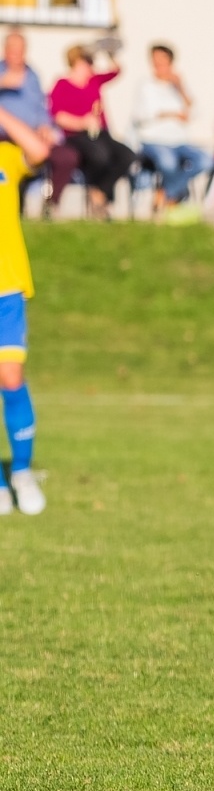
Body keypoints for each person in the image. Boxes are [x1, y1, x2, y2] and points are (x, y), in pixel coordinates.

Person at [0, 103, 58, 513]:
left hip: (7, 290)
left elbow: (39, 151)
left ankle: (21, 472)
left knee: (11, 378)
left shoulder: (6, 157)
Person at [48, 42, 136, 220]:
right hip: (77, 136)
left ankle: (99, 192)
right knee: (100, 156)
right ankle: (99, 201)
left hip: (101, 134)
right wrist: (83, 122)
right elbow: (58, 116)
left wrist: (108, 51)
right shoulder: (62, 84)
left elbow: (116, 70)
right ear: (77, 63)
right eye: (88, 62)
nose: (91, 66)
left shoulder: (94, 81)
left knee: (127, 155)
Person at [131, 43, 212, 213]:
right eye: (155, 61)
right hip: (153, 140)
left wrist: (181, 88)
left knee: (206, 160)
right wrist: (171, 114)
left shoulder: (176, 87)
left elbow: (194, 112)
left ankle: (166, 194)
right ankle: (174, 198)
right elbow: (140, 115)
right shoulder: (145, 85)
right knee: (168, 163)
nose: (158, 66)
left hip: (179, 141)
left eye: (162, 61)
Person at [0, 31, 71, 210]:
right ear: (5, 51)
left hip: (32, 140)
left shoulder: (32, 76)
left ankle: (51, 205)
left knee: (67, 157)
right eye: (13, 51)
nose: (17, 55)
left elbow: (41, 107)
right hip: (4, 139)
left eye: (20, 51)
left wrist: (45, 126)